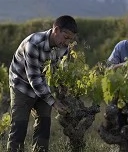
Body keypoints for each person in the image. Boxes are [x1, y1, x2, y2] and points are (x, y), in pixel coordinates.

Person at [7, 15, 78, 152]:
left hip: (44, 85)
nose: (67, 43)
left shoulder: (63, 47)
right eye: (66, 37)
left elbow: (58, 73)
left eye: (71, 39)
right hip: (22, 84)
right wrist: (54, 102)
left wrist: (63, 90)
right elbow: (34, 79)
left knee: (44, 124)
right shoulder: (33, 44)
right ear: (56, 30)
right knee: (19, 126)